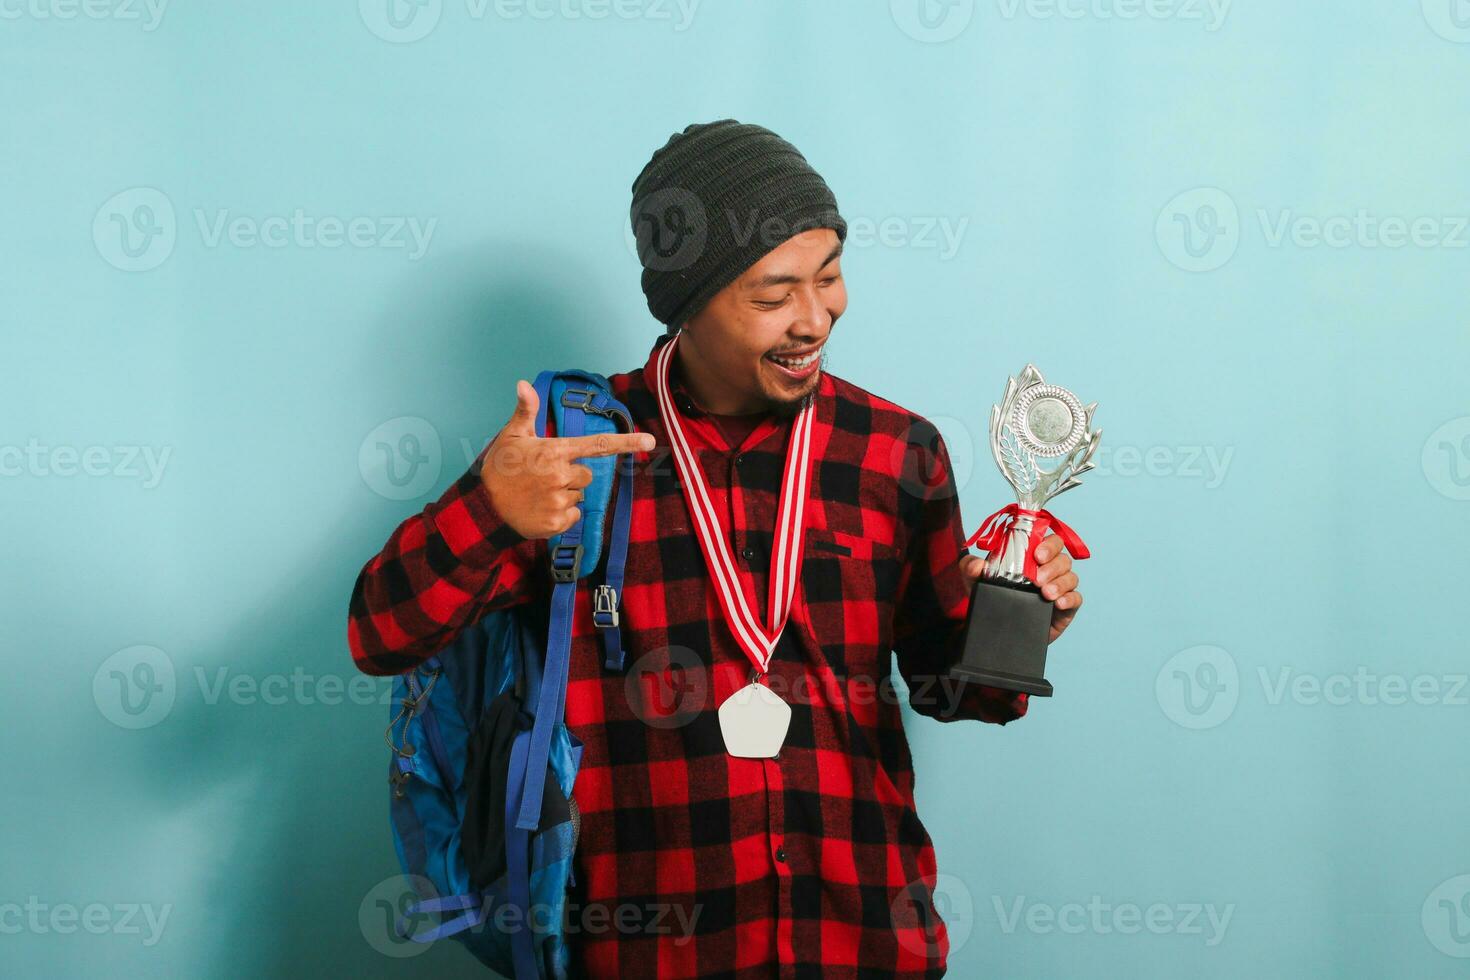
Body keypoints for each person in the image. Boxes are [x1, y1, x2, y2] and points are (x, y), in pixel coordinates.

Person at [348, 119, 1083, 978]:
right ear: (687, 303)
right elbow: (380, 636)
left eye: (831, 276)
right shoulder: (575, 452)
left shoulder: (897, 450)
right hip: (650, 954)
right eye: (774, 296)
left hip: (862, 942)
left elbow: (947, 686)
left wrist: (1016, 621)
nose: (815, 319)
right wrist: (489, 508)